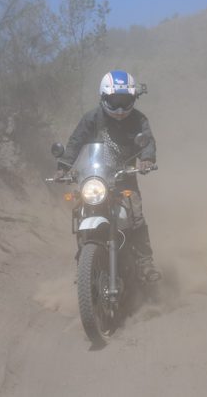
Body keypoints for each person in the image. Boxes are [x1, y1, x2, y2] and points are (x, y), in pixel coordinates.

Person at [54, 70, 161, 282]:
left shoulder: (138, 120)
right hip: (95, 178)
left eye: (125, 101)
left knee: (136, 216)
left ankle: (145, 263)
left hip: (124, 178)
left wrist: (147, 159)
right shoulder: (92, 118)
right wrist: (63, 168)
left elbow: (147, 142)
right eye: (115, 101)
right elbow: (75, 142)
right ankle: (84, 263)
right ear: (104, 98)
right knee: (79, 210)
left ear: (133, 99)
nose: (120, 109)